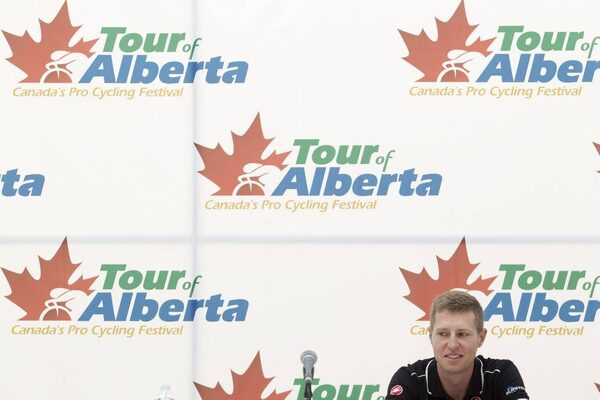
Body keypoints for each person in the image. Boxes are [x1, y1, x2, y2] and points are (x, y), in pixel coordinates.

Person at [386, 291, 529, 400]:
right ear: (430, 336)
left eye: (462, 334)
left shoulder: (500, 374)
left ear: (481, 337)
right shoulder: (409, 379)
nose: (453, 345)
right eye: (443, 334)